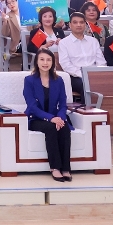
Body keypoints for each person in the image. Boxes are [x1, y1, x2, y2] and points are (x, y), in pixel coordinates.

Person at [24, 48, 73, 183]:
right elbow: (32, 106)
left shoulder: (58, 80)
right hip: (36, 118)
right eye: (42, 59)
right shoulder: (29, 80)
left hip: (55, 117)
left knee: (64, 128)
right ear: (37, 62)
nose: (45, 63)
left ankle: (65, 168)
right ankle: (55, 167)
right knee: (51, 128)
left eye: (48, 60)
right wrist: (51, 118)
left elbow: (63, 104)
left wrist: (60, 118)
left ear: (53, 62)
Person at [55, 12, 105, 104]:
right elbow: (66, 65)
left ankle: (107, 109)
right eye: (75, 22)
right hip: (75, 76)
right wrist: (85, 75)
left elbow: (101, 61)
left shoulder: (93, 41)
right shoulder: (64, 43)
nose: (79, 25)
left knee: (110, 82)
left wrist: (97, 74)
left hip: (95, 74)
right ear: (70, 25)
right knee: (85, 85)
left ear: (85, 24)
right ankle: (87, 109)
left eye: (81, 22)